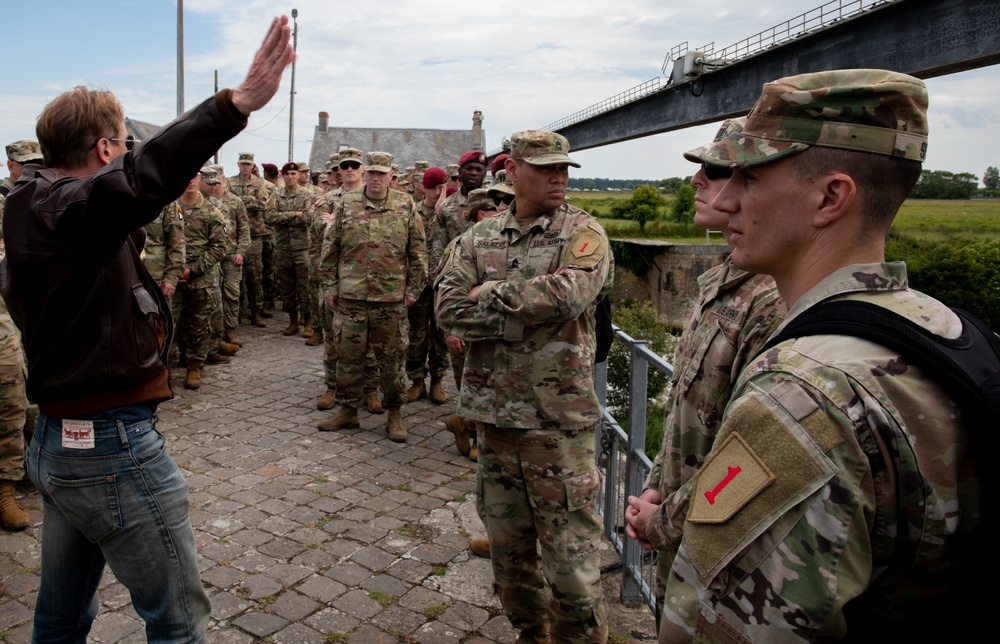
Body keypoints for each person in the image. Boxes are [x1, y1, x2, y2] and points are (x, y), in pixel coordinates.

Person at [627, 69, 982, 642]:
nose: (722, 196)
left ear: (830, 197)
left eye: (748, 176)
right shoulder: (949, 332)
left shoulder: (802, 395)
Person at [0, 16, 293, 642]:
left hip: (63, 437)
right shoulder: (64, 207)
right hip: (109, 443)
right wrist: (231, 107)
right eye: (123, 142)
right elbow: (136, 184)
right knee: (178, 620)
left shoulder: (35, 204)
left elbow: (113, 222)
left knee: (60, 615)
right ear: (106, 150)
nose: (129, 151)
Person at [436, 130, 613, 643]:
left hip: (557, 427)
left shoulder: (583, 234)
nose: (559, 177)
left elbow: (569, 297)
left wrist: (486, 292)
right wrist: (521, 313)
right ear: (512, 171)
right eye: (546, 169)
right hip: (495, 423)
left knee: (572, 570)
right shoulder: (477, 237)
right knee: (510, 561)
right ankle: (530, 635)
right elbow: (447, 308)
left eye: (564, 169)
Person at [622, 119, 786, 634]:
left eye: (717, 170)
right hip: (683, 536)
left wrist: (660, 521)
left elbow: (757, 458)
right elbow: (684, 413)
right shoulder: (725, 281)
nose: (696, 181)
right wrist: (654, 489)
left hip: (719, 555)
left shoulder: (773, 302)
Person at [318, 151, 426, 442]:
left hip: (390, 300)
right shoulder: (345, 204)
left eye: (383, 173)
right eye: (373, 173)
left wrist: (414, 290)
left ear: (391, 175)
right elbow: (330, 249)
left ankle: (394, 414)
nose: (377, 178)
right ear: (364, 174)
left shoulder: (405, 205)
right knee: (348, 359)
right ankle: (348, 411)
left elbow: (418, 252)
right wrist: (329, 287)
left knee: (391, 360)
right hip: (350, 298)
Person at [405, 166, 450, 405]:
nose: (437, 192)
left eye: (442, 186)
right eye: (433, 187)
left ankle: (438, 380)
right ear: (424, 187)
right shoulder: (414, 212)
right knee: (417, 333)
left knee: (440, 334)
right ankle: (416, 380)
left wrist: (443, 211)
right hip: (420, 283)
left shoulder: (450, 213)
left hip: (443, 284)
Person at [226, 152, 274, 327]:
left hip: (255, 234)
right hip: (234, 235)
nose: (245, 167)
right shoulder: (229, 182)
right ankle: (235, 313)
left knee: (255, 275)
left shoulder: (259, 183)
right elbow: (226, 203)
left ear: (252, 165)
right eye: (243, 164)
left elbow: (263, 204)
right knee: (234, 274)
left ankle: (256, 311)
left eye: (248, 164)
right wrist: (248, 201)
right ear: (238, 164)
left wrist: (240, 201)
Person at [267, 161, 314, 336]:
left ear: (298, 175)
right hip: (283, 248)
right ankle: (293, 321)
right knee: (286, 286)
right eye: (287, 174)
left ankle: (308, 321)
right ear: (282, 176)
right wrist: (295, 214)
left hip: (302, 248)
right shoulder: (276, 195)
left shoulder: (307, 195)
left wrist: (284, 217)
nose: (290, 177)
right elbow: (270, 216)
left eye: (294, 174)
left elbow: (310, 217)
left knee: (305, 286)